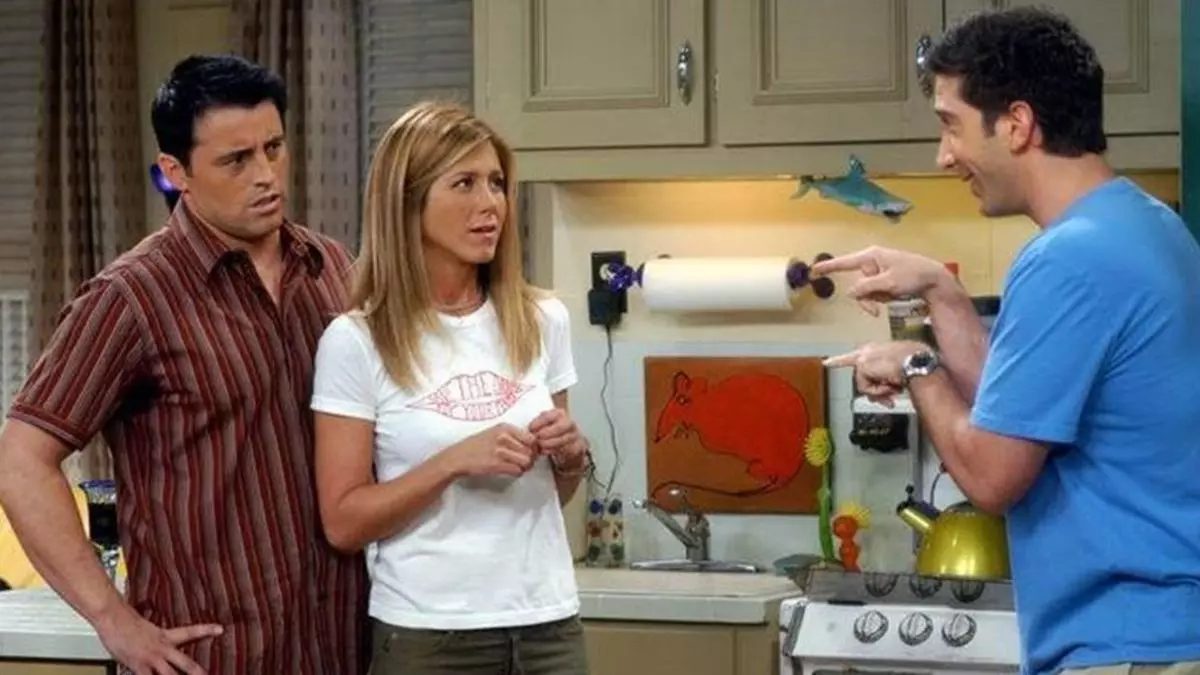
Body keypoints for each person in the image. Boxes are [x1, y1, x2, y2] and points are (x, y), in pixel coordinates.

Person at [812, 7, 1200, 675]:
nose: (944, 156)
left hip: (1128, 642)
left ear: (1017, 124)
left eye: (951, 124)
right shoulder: (1146, 226)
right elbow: (1019, 414)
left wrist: (918, 365)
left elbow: (992, 475)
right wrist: (943, 292)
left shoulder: (1067, 260)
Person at [0, 54, 368, 675]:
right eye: (236, 160)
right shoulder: (131, 298)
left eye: (274, 148)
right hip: (213, 658)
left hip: (341, 648)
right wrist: (112, 619)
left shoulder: (330, 266)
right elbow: (21, 460)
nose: (266, 175)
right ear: (176, 172)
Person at [310, 100, 592, 674]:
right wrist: (452, 463)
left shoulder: (543, 320)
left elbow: (554, 493)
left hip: (549, 630)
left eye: (496, 183)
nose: (490, 204)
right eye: (464, 184)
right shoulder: (356, 341)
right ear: (407, 202)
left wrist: (570, 456)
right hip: (429, 639)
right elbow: (342, 522)